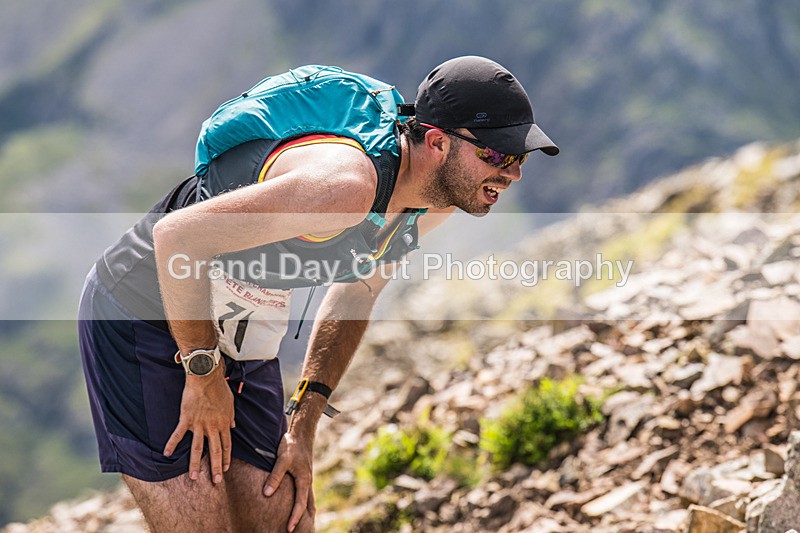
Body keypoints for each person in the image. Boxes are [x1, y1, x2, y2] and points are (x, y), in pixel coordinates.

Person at [77, 55, 558, 533]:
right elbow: (177, 240)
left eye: (519, 158)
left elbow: (357, 292)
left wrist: (303, 424)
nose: (512, 174)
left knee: (284, 521)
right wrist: (204, 377)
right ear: (436, 142)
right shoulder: (344, 188)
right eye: (495, 156)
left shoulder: (432, 205)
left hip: (244, 324)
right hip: (144, 310)